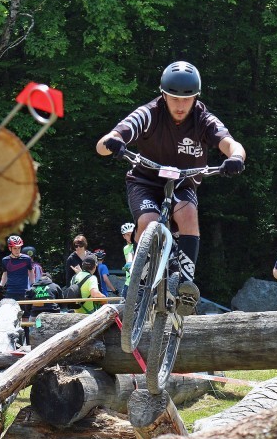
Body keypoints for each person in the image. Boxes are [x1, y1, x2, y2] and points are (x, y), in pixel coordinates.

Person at [96, 61, 246, 315]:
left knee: (188, 215)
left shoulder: (204, 119)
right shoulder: (149, 113)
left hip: (184, 182)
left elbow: (231, 144)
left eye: (186, 100)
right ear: (163, 95)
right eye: (174, 98)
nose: (179, 106)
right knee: (148, 220)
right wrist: (113, 143)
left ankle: (187, 284)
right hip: (145, 181)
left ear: (196, 97)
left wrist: (236, 159)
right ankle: (140, 283)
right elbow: (104, 143)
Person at [120, 222, 135, 299]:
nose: (130, 236)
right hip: (128, 281)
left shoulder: (138, 245)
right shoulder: (125, 248)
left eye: (132, 234)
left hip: (137, 282)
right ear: (124, 236)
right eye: (128, 235)